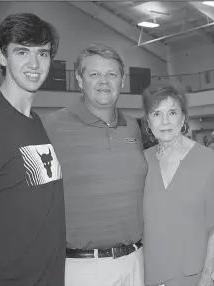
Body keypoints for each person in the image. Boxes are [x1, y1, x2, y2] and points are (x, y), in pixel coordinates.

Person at [0, 13, 65, 286]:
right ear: (1, 56)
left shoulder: (35, 121)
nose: (34, 64)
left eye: (43, 54)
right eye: (22, 51)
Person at [42, 43, 147, 286]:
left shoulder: (132, 127)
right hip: (83, 267)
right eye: (94, 74)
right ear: (80, 80)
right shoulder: (51, 126)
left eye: (112, 74)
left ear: (122, 81)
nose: (104, 81)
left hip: (134, 262)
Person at [141, 83, 214, 286]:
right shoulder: (141, 162)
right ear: (148, 122)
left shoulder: (207, 159)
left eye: (172, 112)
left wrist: (208, 273)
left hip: (196, 274)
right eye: (156, 114)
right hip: (152, 273)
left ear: (183, 117)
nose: (165, 122)